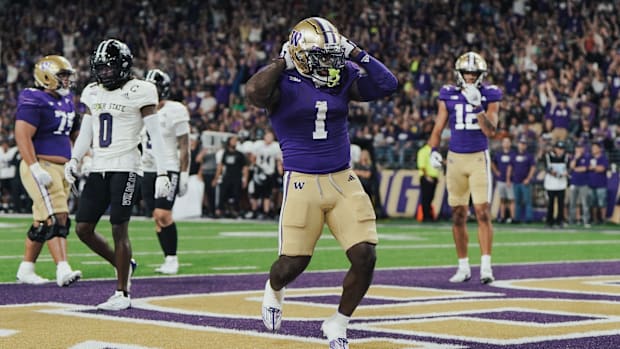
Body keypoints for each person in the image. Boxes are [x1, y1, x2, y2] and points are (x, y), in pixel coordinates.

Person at [245, 17, 397, 349]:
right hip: (302, 181)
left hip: (343, 178)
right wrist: (283, 61)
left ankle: (338, 322)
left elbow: (387, 85)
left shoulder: (341, 77)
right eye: (323, 56)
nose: (331, 62)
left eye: (334, 55)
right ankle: (274, 288)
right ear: (299, 55)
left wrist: (355, 52)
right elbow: (253, 93)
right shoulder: (281, 82)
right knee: (292, 264)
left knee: (365, 255)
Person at [64, 39, 171, 310]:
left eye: (110, 68)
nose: (105, 73)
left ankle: (122, 292)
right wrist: (74, 158)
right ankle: (124, 264)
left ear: (123, 66)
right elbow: (87, 130)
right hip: (99, 166)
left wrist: (163, 172)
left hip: (127, 167)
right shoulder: (92, 91)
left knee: (118, 228)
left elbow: (155, 135)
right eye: (101, 68)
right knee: (83, 228)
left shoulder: (141, 90)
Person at [427, 51, 503, 284]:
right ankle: (463, 267)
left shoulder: (490, 94)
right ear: (459, 74)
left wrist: (478, 107)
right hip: (455, 159)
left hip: (478, 157)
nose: (470, 76)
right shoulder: (448, 93)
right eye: (467, 72)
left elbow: (491, 131)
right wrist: (431, 150)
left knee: (482, 212)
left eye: (475, 73)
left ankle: (486, 267)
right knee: (458, 214)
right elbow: (439, 127)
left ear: (482, 75)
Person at [14, 55, 82, 287]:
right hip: (41, 164)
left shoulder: (67, 101)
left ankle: (26, 269)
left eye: (67, 76)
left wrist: (84, 157)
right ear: (46, 77)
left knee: (42, 221)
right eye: (61, 76)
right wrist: (33, 166)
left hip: (62, 167)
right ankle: (63, 268)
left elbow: (73, 133)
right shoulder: (34, 98)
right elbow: (22, 135)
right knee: (58, 217)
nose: (66, 80)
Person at [141, 69, 190, 274]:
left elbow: (184, 145)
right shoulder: (142, 110)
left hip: (169, 167)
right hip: (148, 168)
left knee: (163, 214)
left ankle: (172, 259)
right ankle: (167, 257)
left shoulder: (175, 110)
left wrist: (184, 173)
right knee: (156, 216)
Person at [211, 135, 248, 218]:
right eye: (233, 140)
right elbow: (220, 166)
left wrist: (245, 179)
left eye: (235, 141)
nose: (234, 142)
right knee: (223, 194)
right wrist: (216, 178)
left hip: (237, 177)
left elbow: (245, 167)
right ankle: (221, 211)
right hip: (227, 177)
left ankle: (235, 211)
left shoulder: (240, 154)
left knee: (236, 195)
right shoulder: (224, 153)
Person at [543, 141, 569, 228]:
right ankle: (549, 220)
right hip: (551, 184)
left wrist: (565, 173)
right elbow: (548, 169)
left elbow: (568, 168)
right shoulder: (548, 156)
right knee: (550, 203)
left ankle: (559, 220)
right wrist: (559, 174)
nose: (560, 151)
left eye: (562, 149)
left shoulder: (566, 157)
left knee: (561, 203)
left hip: (561, 184)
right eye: (558, 149)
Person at [511, 138, 537, 223]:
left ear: (526, 146)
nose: (522, 145)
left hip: (525, 181)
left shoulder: (529, 156)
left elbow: (533, 168)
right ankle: (517, 218)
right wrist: (509, 178)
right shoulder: (514, 155)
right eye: (521, 143)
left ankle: (529, 219)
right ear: (518, 144)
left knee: (527, 201)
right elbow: (510, 167)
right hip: (516, 181)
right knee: (517, 201)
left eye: (524, 144)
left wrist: (528, 178)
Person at [491, 136, 515, 223]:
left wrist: (510, 177)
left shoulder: (513, 154)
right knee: (502, 199)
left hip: (510, 181)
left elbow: (512, 166)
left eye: (508, 142)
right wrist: (496, 171)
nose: (506, 144)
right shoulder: (498, 154)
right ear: (502, 143)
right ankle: (502, 217)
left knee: (511, 199)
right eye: (504, 142)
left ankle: (512, 217)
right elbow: (492, 163)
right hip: (501, 180)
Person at [568, 143, 591, 227]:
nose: (578, 150)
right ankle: (571, 220)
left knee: (585, 203)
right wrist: (576, 158)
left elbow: (585, 168)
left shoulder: (587, 157)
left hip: (584, 183)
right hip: (574, 182)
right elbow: (571, 166)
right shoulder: (573, 157)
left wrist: (576, 169)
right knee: (572, 203)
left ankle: (586, 221)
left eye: (580, 148)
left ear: (583, 149)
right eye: (577, 148)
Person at [416, 144, 440, 222]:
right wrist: (427, 176)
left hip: (433, 177)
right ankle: (426, 216)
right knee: (426, 198)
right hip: (426, 177)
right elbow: (421, 166)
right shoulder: (423, 151)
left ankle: (429, 215)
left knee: (430, 198)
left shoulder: (435, 151)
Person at [588, 141, 609, 225]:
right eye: (592, 148)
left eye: (595, 148)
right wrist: (595, 168)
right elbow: (586, 167)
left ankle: (603, 219)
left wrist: (593, 167)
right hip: (591, 184)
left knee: (602, 203)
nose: (593, 149)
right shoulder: (590, 157)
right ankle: (594, 219)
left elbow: (602, 168)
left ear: (600, 149)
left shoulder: (603, 158)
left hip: (601, 184)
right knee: (593, 203)